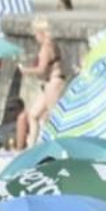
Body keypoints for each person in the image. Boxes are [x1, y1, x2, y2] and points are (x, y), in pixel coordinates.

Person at [16, 19, 66, 149]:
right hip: (50, 82)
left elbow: (42, 69)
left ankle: (56, 146)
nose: (35, 37)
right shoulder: (52, 44)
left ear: (40, 33)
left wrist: (25, 70)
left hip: (53, 83)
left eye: (35, 34)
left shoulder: (46, 47)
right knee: (33, 114)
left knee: (53, 118)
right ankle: (31, 146)